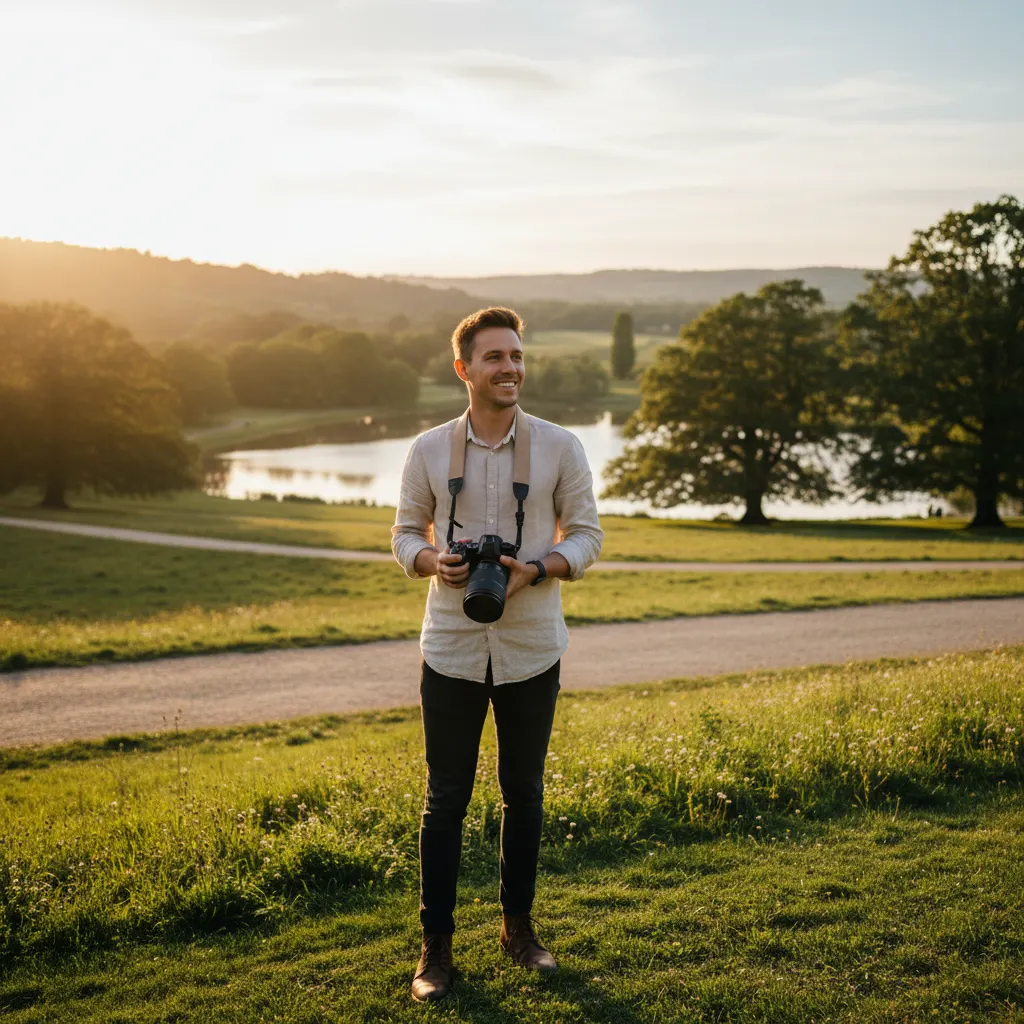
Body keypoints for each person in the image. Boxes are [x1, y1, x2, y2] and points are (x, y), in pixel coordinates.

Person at [391, 306, 604, 1003]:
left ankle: (518, 929)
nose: (510, 367)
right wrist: (430, 560)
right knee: (444, 800)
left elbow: (589, 537)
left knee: (525, 794)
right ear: (464, 369)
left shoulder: (561, 446)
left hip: (532, 645)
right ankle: (436, 949)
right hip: (450, 647)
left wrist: (537, 568)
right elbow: (400, 535)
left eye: (517, 356)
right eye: (495, 357)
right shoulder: (426, 449)